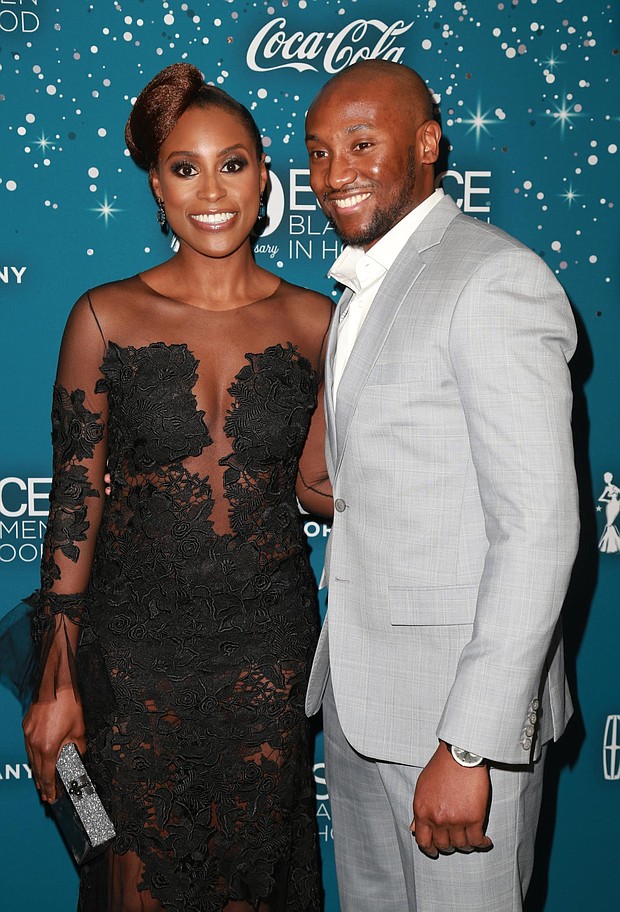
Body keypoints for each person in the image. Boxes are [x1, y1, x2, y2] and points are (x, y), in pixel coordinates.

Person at [21, 63, 332, 912]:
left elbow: (334, 487)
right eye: (184, 167)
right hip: (131, 661)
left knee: (253, 889)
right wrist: (58, 681)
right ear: (156, 184)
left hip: (267, 657)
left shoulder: (320, 324)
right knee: (133, 885)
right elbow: (73, 505)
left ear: (265, 175)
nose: (211, 190)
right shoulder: (102, 316)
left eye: (231, 163)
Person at [303, 59, 579, 912]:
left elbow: (537, 529)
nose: (334, 173)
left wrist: (468, 748)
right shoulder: (363, 286)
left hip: (455, 724)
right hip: (361, 702)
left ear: (427, 146)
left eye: (360, 144)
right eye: (316, 153)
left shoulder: (492, 277)